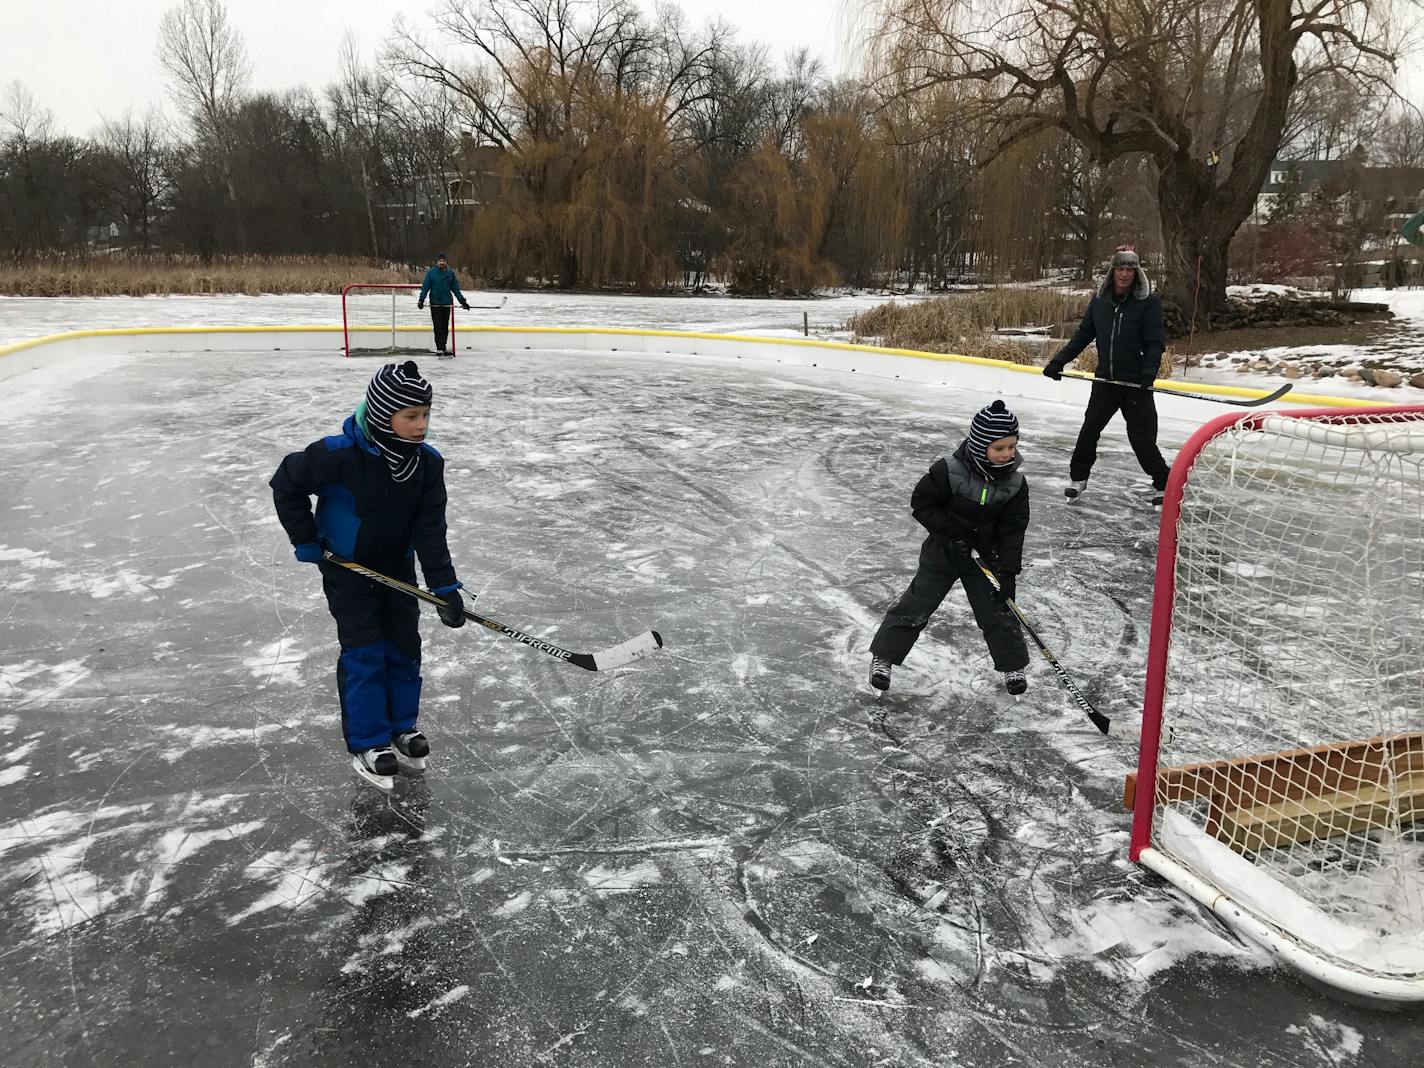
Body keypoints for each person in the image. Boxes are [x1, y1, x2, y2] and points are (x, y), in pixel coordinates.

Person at [270, 361, 466, 788]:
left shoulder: (427, 465)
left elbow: (430, 529)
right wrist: (306, 540)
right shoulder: (336, 454)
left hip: (397, 570)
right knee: (364, 652)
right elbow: (285, 483)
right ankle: (369, 741)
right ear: (383, 414)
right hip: (348, 569)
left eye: (426, 415)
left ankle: (401, 728)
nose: (421, 425)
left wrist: (445, 586)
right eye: (410, 416)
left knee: (404, 649)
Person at [869, 400, 1031, 696]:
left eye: (1012, 446)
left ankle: (1012, 666)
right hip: (943, 550)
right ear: (981, 445)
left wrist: (1008, 572)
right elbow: (922, 504)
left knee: (998, 610)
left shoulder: (1015, 483)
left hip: (984, 557)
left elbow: (1012, 531)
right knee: (916, 605)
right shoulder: (949, 469)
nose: (1008, 454)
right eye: (1000, 448)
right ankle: (884, 658)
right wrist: (952, 532)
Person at [1042, 245, 1171, 506]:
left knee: (1142, 441)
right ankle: (1078, 479)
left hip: (1135, 384)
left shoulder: (1147, 303)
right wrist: (1058, 362)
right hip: (1105, 383)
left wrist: (1148, 374)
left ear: (1137, 273)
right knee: (1089, 430)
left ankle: (1164, 483)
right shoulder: (1100, 302)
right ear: (1112, 272)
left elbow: (1155, 342)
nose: (1124, 274)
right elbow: (1083, 335)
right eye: (1120, 269)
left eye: (1130, 270)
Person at [417, 252, 471, 357]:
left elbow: (455, 288)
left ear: (446, 262)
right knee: (438, 326)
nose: (441, 263)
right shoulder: (431, 273)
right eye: (440, 261)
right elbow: (425, 287)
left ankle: (443, 347)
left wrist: (462, 301)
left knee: (445, 326)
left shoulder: (450, 273)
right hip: (435, 303)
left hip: (446, 304)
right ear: (437, 262)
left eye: (443, 261)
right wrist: (421, 300)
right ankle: (439, 348)